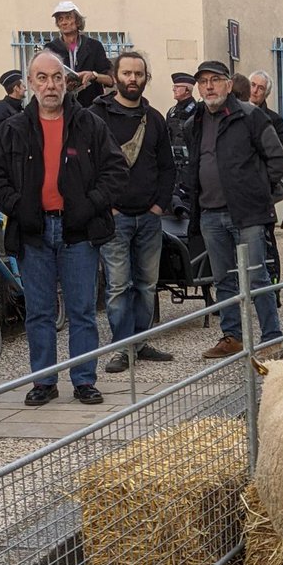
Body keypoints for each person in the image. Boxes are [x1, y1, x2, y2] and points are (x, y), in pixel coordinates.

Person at [0, 50, 127, 406]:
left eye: (56, 77)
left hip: (79, 233)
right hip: (33, 233)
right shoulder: (11, 129)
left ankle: (84, 379)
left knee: (83, 310)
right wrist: (16, 205)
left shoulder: (90, 124)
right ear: (31, 83)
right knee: (39, 312)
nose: (50, 85)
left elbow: (116, 171)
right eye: (42, 78)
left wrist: (90, 204)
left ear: (66, 82)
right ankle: (43, 381)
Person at [185, 60, 283, 358]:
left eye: (215, 80)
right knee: (224, 280)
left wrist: (255, 194)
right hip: (210, 214)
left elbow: (277, 161)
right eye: (203, 81)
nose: (209, 86)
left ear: (229, 84)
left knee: (257, 278)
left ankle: (271, 338)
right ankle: (232, 337)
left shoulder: (250, 116)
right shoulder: (195, 122)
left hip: (247, 214)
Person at [93, 50, 176, 372]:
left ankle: (140, 343)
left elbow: (168, 167)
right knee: (117, 286)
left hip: (149, 218)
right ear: (115, 77)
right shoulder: (96, 115)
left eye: (138, 74)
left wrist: (158, 206)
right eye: (126, 73)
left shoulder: (154, 118)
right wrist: (106, 205)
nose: (132, 79)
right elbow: (88, 166)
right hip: (114, 218)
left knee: (146, 285)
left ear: (145, 78)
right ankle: (122, 347)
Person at [44, 1, 113, 108]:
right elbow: (45, 80)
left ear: (78, 22)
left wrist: (93, 75)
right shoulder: (50, 49)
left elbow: (110, 80)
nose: (63, 22)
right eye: (60, 19)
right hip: (62, 108)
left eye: (68, 17)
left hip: (91, 108)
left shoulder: (94, 46)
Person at [166, 72, 197, 209]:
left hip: (190, 163)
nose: (174, 89)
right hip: (174, 162)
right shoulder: (172, 111)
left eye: (177, 87)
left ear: (187, 90)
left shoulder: (196, 110)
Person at [248, 71, 283, 147]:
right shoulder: (236, 113)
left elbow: (279, 154)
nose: (255, 90)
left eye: (261, 88)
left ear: (266, 93)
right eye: (253, 85)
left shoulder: (275, 121)